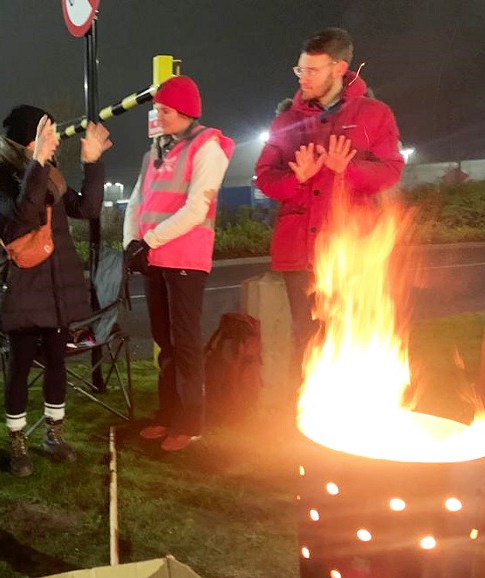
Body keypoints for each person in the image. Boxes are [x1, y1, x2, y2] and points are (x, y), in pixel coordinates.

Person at [254, 27, 403, 383]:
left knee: (350, 337)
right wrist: (297, 178)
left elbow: (391, 170)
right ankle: (306, 418)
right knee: (306, 339)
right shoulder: (287, 120)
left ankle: (352, 418)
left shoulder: (374, 114)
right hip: (299, 252)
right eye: (300, 70)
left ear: (338, 68)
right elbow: (264, 177)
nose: (303, 77)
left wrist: (346, 170)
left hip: (349, 248)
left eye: (312, 70)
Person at [0, 104, 111, 477]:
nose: (54, 141)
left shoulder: (49, 173)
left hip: (56, 291)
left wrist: (92, 162)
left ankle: (54, 435)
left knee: (56, 363)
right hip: (22, 290)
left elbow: (89, 208)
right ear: (27, 139)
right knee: (18, 368)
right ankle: (17, 442)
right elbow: (23, 215)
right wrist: (39, 164)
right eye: (46, 134)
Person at [123, 75, 234, 452]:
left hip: (185, 260)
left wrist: (148, 242)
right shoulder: (155, 151)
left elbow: (196, 208)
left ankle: (191, 421)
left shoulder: (208, 147)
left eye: (165, 110)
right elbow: (137, 201)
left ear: (186, 112)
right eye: (157, 110)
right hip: (155, 259)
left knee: (185, 343)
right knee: (164, 342)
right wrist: (130, 244)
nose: (159, 117)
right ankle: (167, 414)